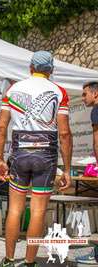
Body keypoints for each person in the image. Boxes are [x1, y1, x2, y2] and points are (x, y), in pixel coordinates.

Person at [0, 51, 72, 267]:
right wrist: (66, 170)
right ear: (51, 71)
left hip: (20, 152)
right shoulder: (59, 92)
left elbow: (2, 127)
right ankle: (30, 263)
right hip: (46, 155)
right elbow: (64, 133)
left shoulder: (13, 89)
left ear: (30, 68)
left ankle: (9, 260)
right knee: (38, 210)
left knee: (15, 209)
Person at [75, 81, 98, 265]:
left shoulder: (96, 110)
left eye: (85, 94)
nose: (83, 98)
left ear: (95, 94)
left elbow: (97, 141)